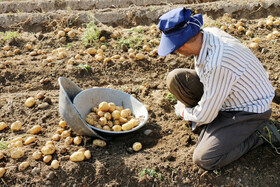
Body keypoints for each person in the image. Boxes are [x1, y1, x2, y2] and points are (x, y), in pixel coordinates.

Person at [157, 7, 280, 170]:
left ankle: (260, 134)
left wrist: (184, 112)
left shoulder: (218, 62)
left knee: (205, 158)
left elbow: (206, 115)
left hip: (247, 110)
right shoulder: (208, 34)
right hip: (231, 93)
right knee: (176, 78)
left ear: (182, 46)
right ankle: (217, 127)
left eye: (174, 48)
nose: (175, 52)